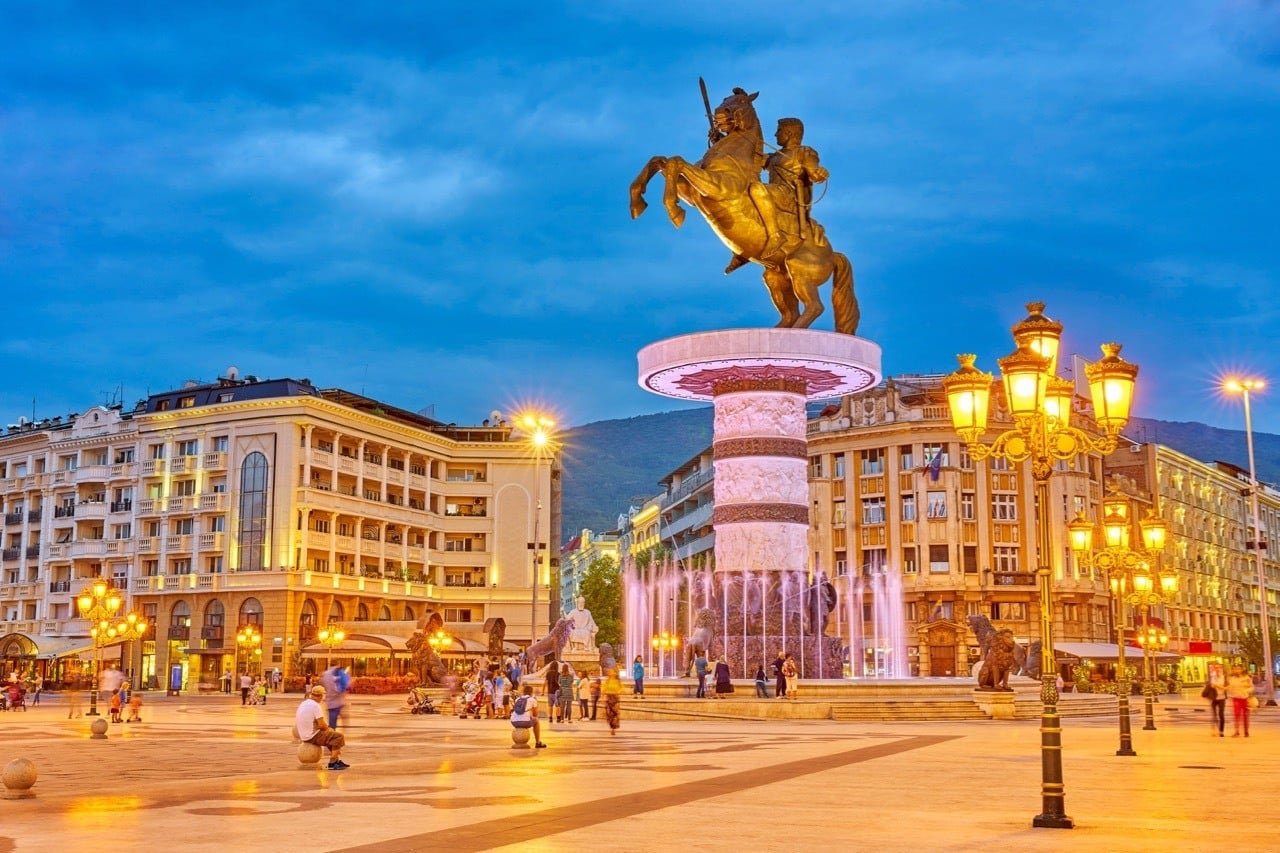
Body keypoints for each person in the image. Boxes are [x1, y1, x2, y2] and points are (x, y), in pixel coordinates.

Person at [296, 685, 348, 770]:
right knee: (338, 736)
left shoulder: (304, 703)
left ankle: (336, 760)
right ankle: (333, 762)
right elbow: (321, 725)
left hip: (303, 734)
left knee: (330, 736)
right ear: (320, 695)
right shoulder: (315, 706)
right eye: (323, 695)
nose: (323, 698)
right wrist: (329, 729)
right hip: (312, 736)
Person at [509, 683, 547, 748]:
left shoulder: (517, 699)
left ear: (523, 692)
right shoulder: (532, 700)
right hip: (525, 722)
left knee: (525, 719)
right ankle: (538, 742)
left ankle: (519, 738)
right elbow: (535, 714)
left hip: (514, 721)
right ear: (531, 692)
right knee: (536, 721)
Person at [1226, 664, 1255, 737]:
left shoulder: (1246, 678)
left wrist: (1246, 691)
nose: (1237, 670)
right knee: (1236, 715)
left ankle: (1246, 731)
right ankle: (1237, 731)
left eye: (1238, 669)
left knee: (1245, 716)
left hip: (1245, 699)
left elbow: (1252, 687)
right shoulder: (1232, 678)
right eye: (1235, 669)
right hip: (1236, 699)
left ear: (1242, 670)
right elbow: (1230, 688)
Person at [602, 668, 623, 735]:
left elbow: (621, 688)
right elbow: (604, 688)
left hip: (615, 698)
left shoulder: (617, 681)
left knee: (615, 713)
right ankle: (611, 728)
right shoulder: (607, 681)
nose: (610, 673)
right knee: (609, 714)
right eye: (609, 672)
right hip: (609, 697)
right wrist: (603, 695)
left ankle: (613, 728)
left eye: (611, 671)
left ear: (615, 673)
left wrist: (617, 692)